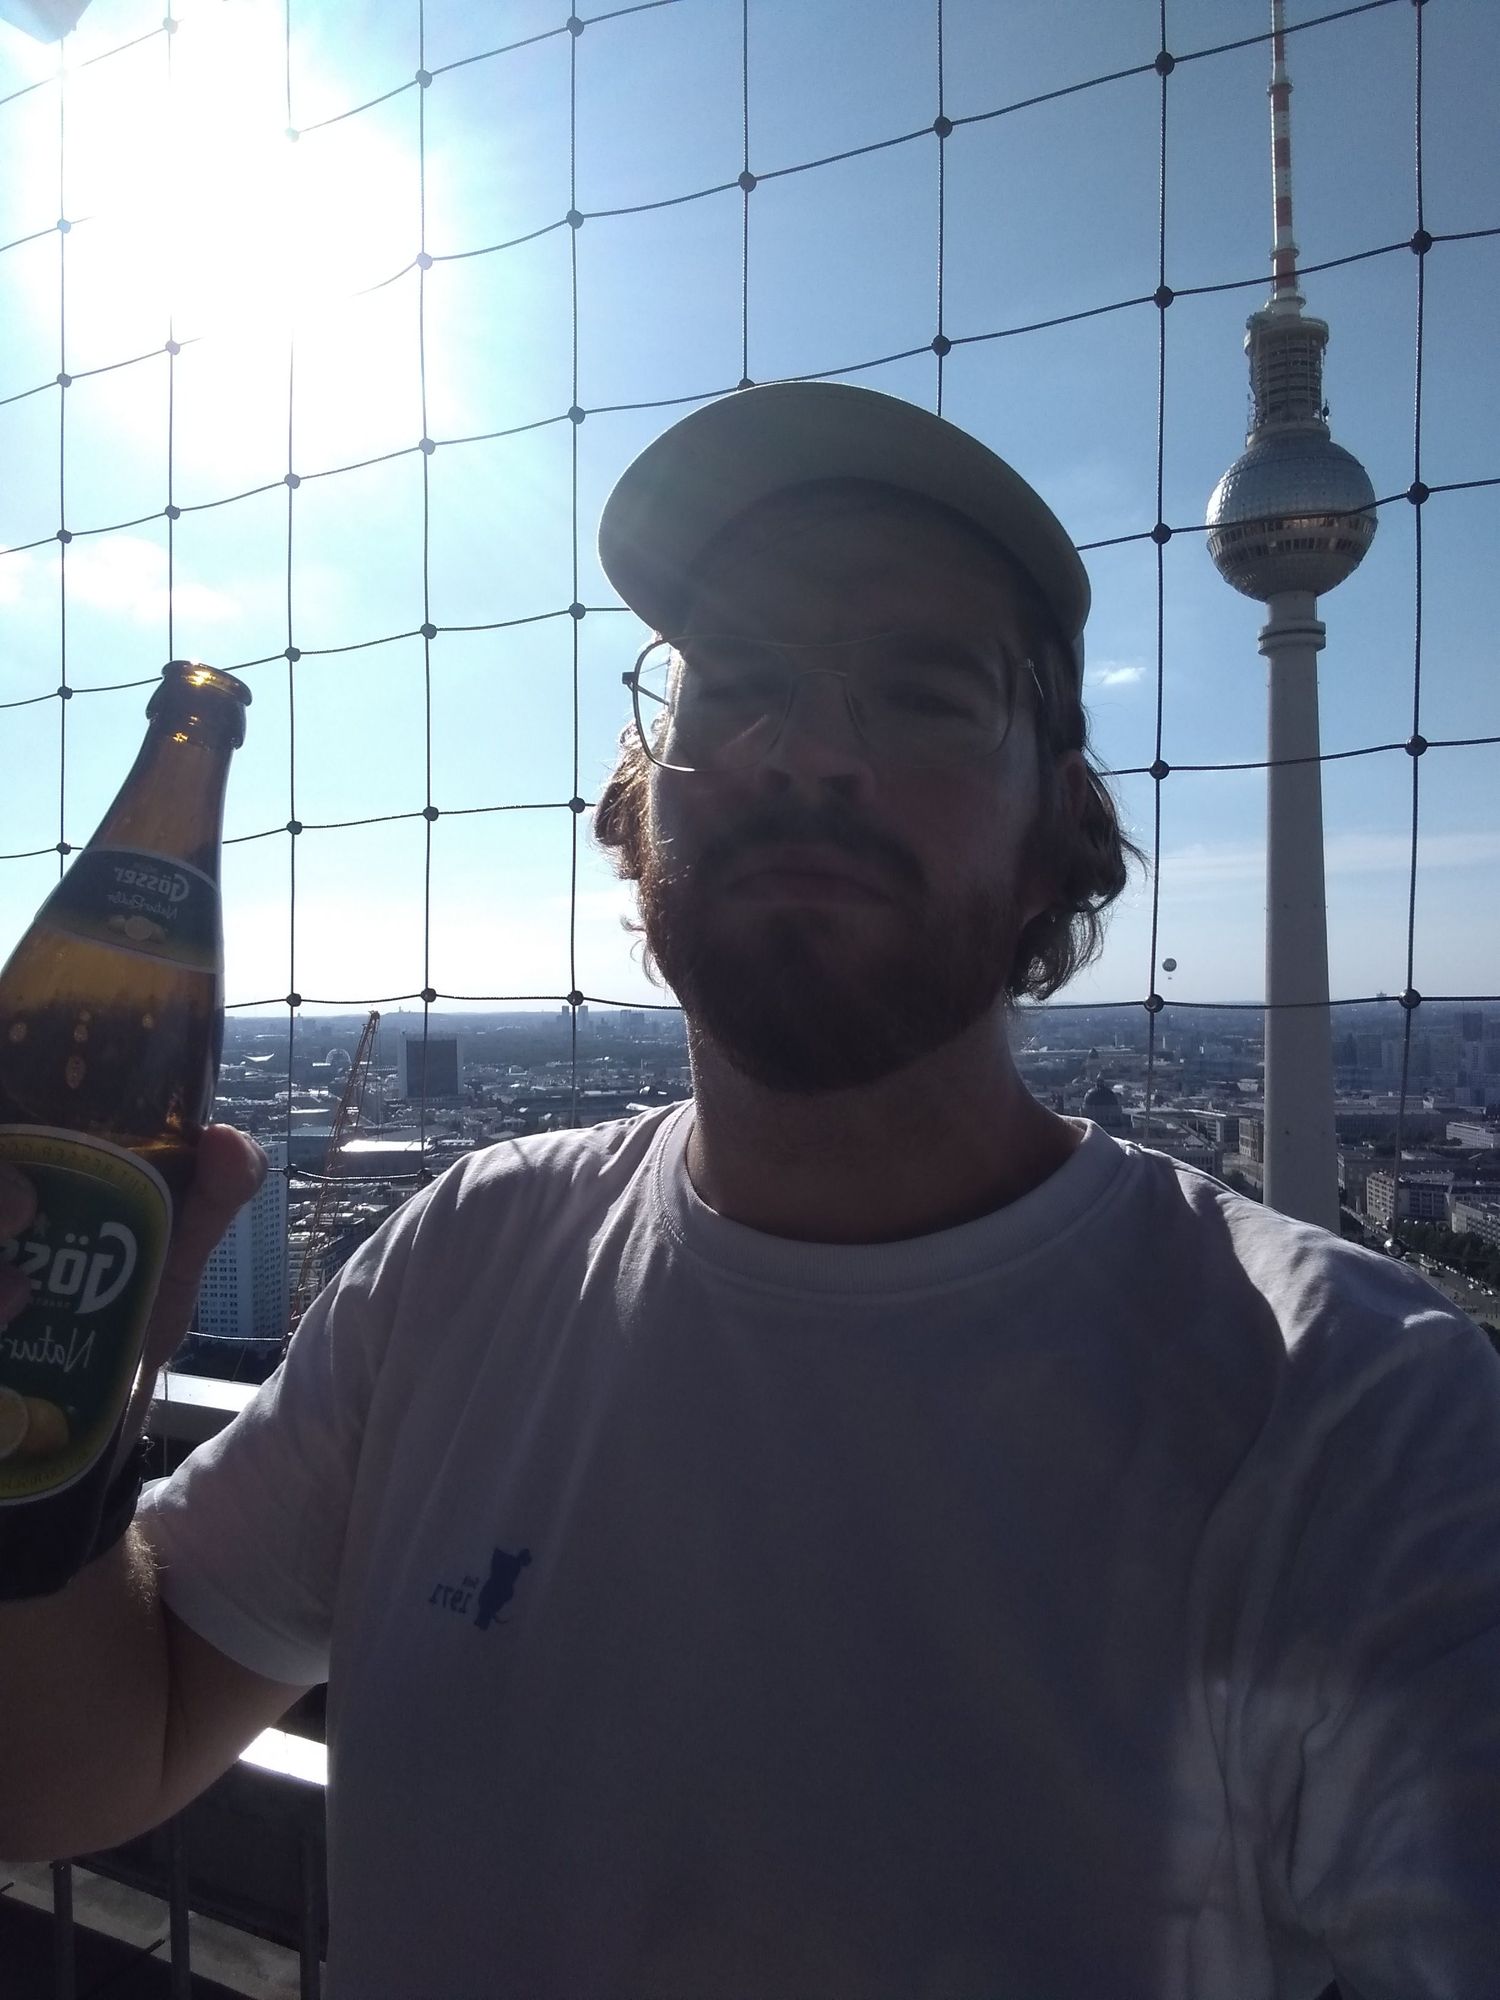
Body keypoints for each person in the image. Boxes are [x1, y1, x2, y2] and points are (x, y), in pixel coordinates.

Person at [2, 381, 1498, 1999]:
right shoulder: (464, 1258)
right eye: (742, 685)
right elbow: (91, 1750)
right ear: (647, 795)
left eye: (924, 694)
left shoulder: (1356, 1414)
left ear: (1066, 822)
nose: (810, 751)